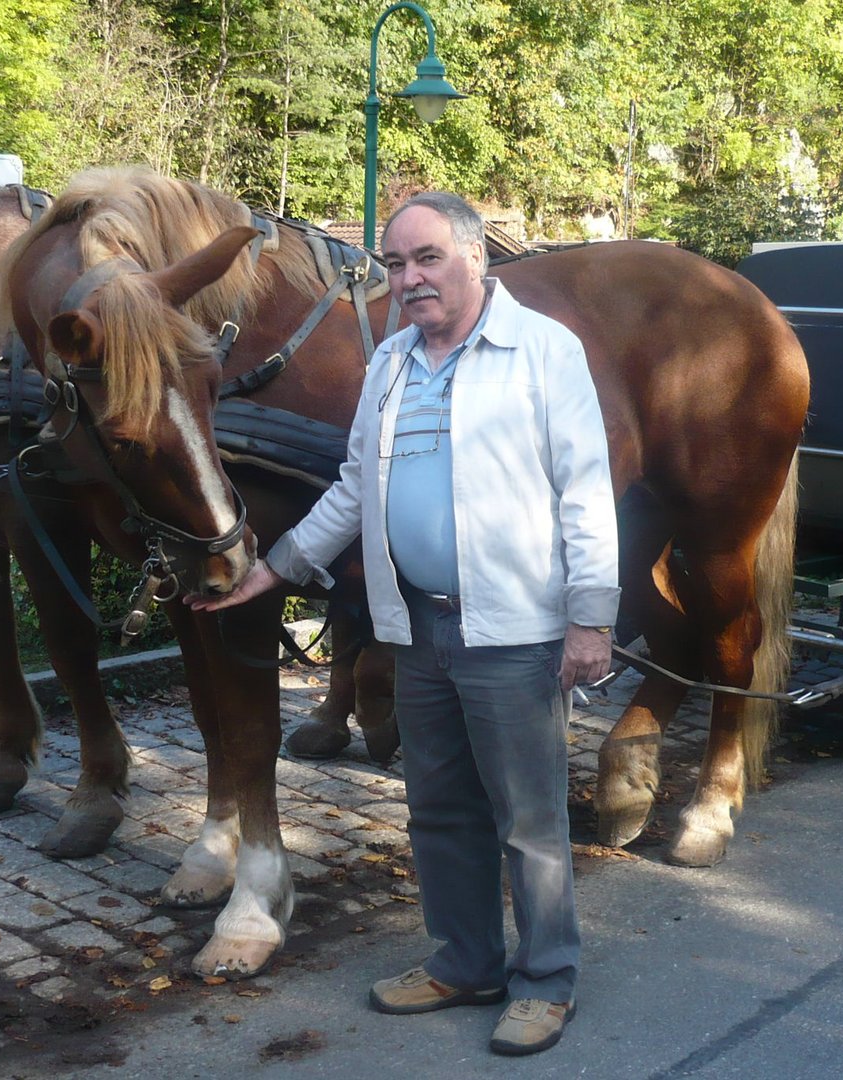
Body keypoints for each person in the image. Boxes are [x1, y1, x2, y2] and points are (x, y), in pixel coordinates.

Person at [189, 191, 618, 1056]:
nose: (409, 278)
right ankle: (465, 962)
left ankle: (545, 979)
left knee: (527, 821)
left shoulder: (541, 351)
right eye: (394, 264)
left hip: (512, 631)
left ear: (474, 258)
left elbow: (585, 491)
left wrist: (590, 621)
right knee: (437, 810)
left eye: (426, 259)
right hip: (416, 629)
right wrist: (274, 569)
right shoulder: (389, 362)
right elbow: (353, 489)